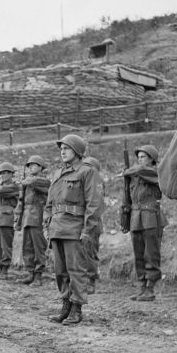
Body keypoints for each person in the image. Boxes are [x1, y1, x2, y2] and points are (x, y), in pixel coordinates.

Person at [44, 134, 102, 325]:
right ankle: (65, 306)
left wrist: (87, 231)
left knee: (76, 270)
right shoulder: (58, 174)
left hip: (75, 229)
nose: (62, 151)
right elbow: (49, 204)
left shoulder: (87, 172)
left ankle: (77, 309)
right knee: (60, 271)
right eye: (61, 148)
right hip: (57, 228)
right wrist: (47, 225)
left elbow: (93, 204)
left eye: (66, 148)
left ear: (77, 151)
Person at [122, 144, 167, 302]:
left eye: (143, 157)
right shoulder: (134, 175)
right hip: (136, 218)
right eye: (138, 157)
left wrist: (128, 171)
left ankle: (150, 288)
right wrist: (125, 219)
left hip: (151, 218)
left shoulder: (156, 172)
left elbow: (142, 171)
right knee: (139, 254)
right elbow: (127, 199)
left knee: (151, 254)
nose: (140, 160)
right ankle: (141, 286)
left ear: (152, 160)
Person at [15, 155, 51, 286]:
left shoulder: (43, 181)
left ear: (41, 167)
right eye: (29, 166)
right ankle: (30, 272)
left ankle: (38, 276)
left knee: (38, 247)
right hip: (27, 216)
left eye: (34, 165)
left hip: (38, 216)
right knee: (27, 246)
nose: (31, 168)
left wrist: (24, 181)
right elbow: (21, 201)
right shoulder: (27, 182)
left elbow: (32, 182)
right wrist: (18, 220)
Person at [0, 162, 20, 280]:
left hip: (7, 219)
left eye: (6, 173)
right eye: (1, 173)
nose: (3, 175)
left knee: (5, 245)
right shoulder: (0, 187)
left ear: (11, 174)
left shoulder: (13, 186)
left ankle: (5, 270)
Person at [81, 156, 105, 294]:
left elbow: (96, 205)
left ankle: (91, 281)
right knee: (80, 252)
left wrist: (89, 224)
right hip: (81, 221)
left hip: (92, 222)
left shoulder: (97, 184)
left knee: (90, 252)